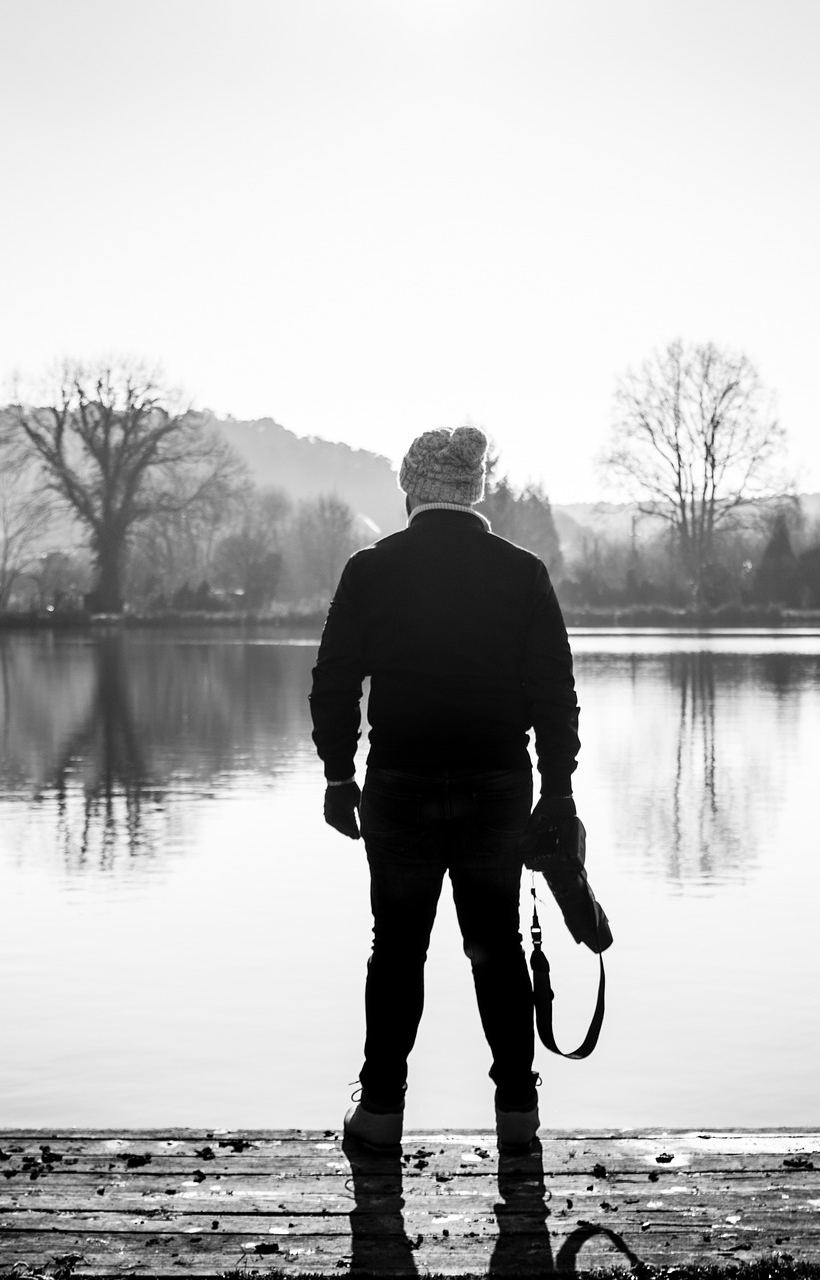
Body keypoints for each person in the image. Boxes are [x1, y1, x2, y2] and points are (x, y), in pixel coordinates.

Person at [310, 425, 580, 1152]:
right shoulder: (522, 573)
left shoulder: (371, 569)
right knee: (496, 946)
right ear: (474, 493)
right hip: (498, 785)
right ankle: (518, 1116)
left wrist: (338, 775)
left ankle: (380, 1114)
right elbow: (555, 693)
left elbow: (334, 681)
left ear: (412, 492)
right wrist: (558, 791)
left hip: (399, 784)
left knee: (397, 950)